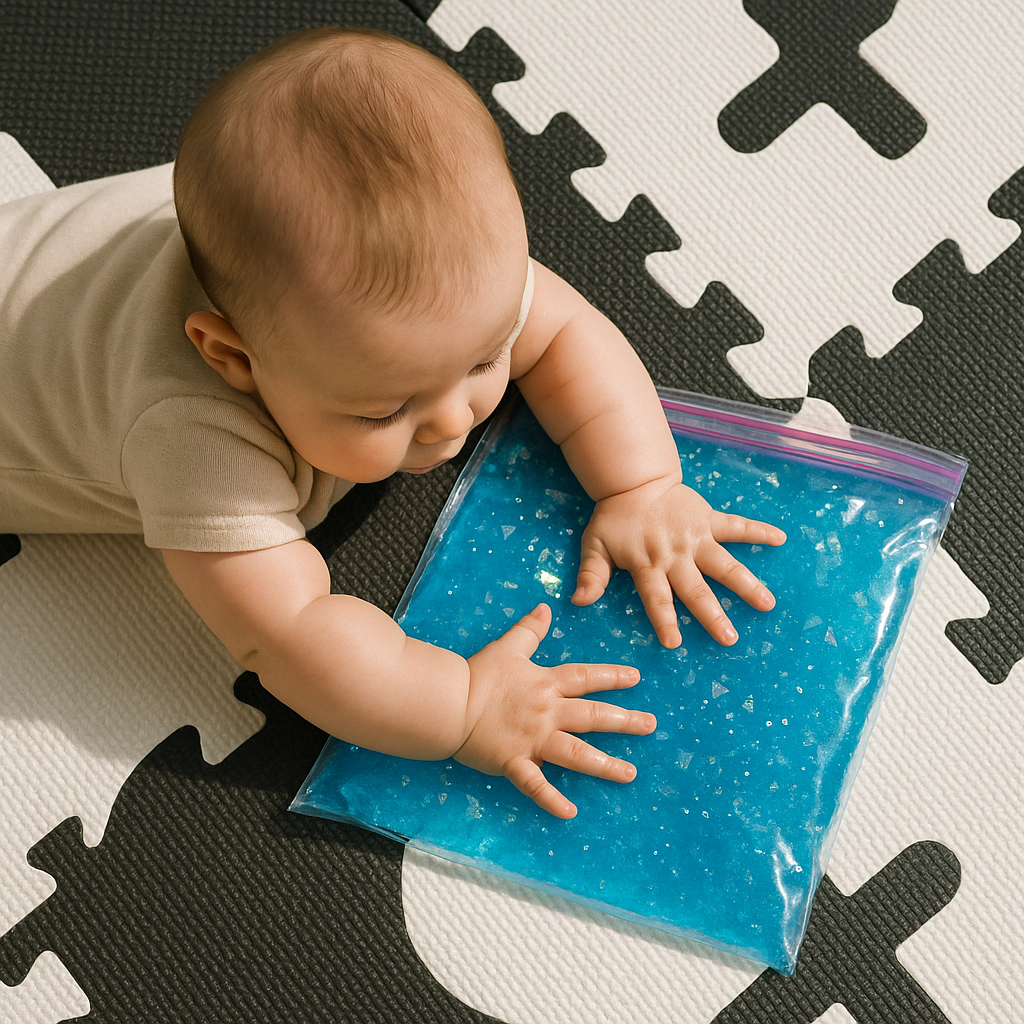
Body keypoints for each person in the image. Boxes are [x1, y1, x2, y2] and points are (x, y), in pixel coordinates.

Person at [0, 26, 785, 818]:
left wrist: (642, 485)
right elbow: (289, 632)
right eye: (384, 409)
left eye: (484, 361)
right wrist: (463, 706)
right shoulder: (194, 436)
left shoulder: (426, 272)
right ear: (234, 359)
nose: (451, 423)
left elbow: (565, 332)